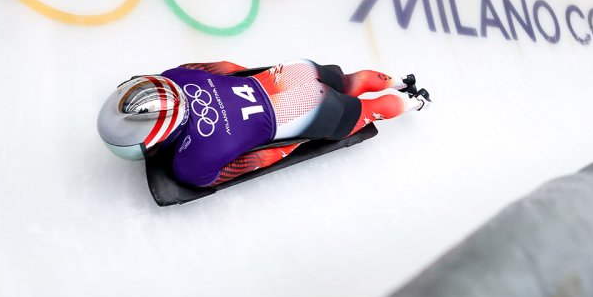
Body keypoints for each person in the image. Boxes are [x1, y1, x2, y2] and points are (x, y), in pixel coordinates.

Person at [97, 60, 431, 187]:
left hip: (302, 113)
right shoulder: (175, 76)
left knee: (365, 111)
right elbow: (228, 68)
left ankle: (413, 102)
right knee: (348, 80)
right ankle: (401, 79)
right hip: (287, 75)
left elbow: (256, 160)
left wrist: (296, 141)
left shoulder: (191, 163)